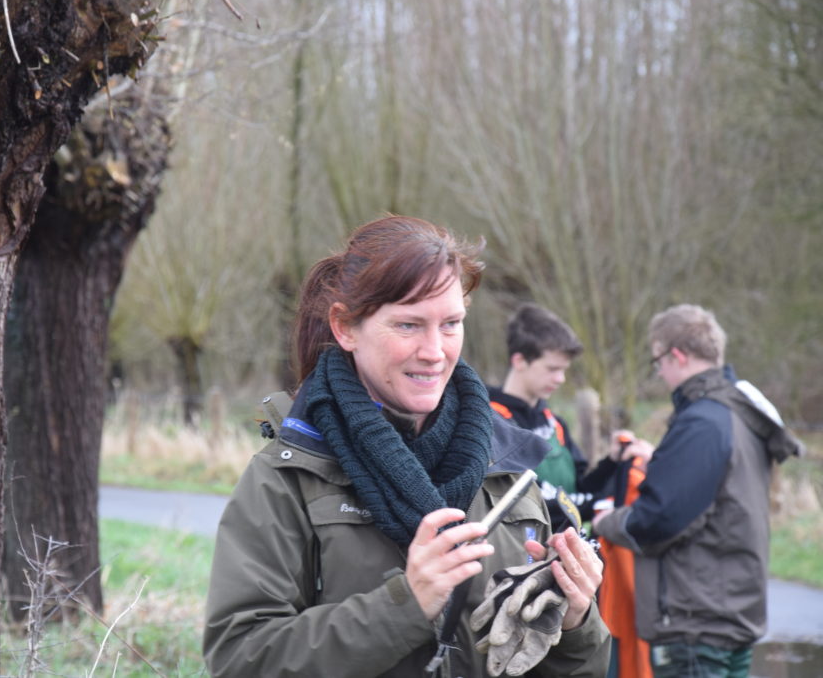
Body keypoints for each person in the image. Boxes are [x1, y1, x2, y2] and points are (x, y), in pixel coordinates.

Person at [203, 216, 610, 677]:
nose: (435, 351)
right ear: (345, 328)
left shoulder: (508, 466)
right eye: (409, 325)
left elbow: (570, 668)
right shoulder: (291, 475)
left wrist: (575, 624)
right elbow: (240, 660)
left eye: (451, 323)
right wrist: (405, 606)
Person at [593, 304, 804, 678]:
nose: (659, 373)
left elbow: (661, 520)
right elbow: (716, 488)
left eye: (657, 362)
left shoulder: (701, 423)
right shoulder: (734, 413)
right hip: (730, 612)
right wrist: (660, 458)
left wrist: (608, 522)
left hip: (695, 622)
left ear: (676, 355)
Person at [487, 303, 645, 530]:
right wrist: (602, 504)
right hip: (524, 554)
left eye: (564, 370)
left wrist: (612, 463)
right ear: (519, 361)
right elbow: (531, 495)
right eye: (552, 369)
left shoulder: (555, 424)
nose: (561, 379)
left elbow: (579, 489)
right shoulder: (493, 423)